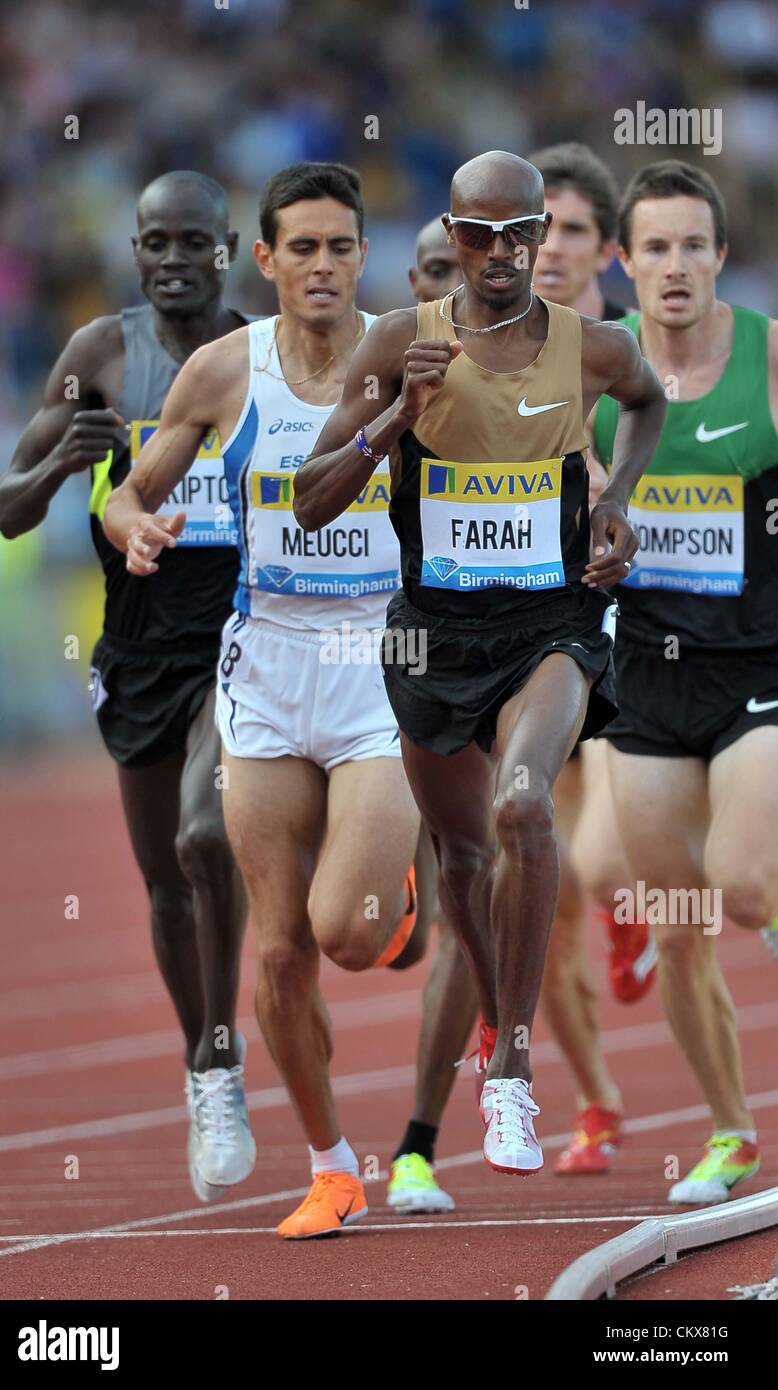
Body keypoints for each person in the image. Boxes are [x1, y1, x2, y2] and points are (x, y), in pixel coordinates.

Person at [294, 149, 665, 1178]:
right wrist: (392, 422)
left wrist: (619, 497)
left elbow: (647, 401)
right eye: (478, 234)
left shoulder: (589, 346)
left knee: (520, 806)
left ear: (544, 234)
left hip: (552, 623)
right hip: (431, 638)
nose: (500, 255)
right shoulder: (393, 342)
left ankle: (508, 1067)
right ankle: (497, 1052)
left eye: (520, 233)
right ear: (450, 236)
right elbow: (307, 500)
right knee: (460, 861)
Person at [103, 161, 423, 1240]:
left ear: (361, 256)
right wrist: (134, 528)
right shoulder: (222, 372)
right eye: (304, 247)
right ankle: (333, 1167)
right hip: (267, 668)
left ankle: (400, 888)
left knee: (344, 932)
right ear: (266, 259)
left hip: (380, 658)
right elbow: (129, 491)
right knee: (278, 945)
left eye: (342, 246)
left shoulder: (407, 353)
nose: (323, 265)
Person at [0, 171, 256, 1203]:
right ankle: (205, 1062)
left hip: (242, 641)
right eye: (157, 242)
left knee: (207, 837)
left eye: (196, 240)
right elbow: (6, 511)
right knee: (165, 881)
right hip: (136, 649)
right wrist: (66, 455)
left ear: (229, 249)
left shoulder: (259, 353)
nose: (176, 258)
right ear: (136, 251)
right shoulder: (98, 354)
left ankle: (220, 1057)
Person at [592, 159, 778, 1204]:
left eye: (692, 246)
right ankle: (729, 1132)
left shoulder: (767, 356)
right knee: (676, 919)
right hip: (650, 684)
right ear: (625, 261)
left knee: (750, 883)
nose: (674, 266)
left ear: (719, 254)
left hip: (761, 671)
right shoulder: (602, 377)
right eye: (653, 247)